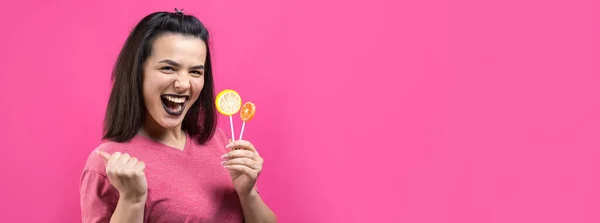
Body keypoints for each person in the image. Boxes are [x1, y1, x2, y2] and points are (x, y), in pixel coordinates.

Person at [79, 9, 277, 223]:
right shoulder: (107, 163)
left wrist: (248, 193)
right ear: (138, 72)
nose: (183, 84)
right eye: (168, 68)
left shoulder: (221, 143)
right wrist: (132, 200)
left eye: (195, 72)